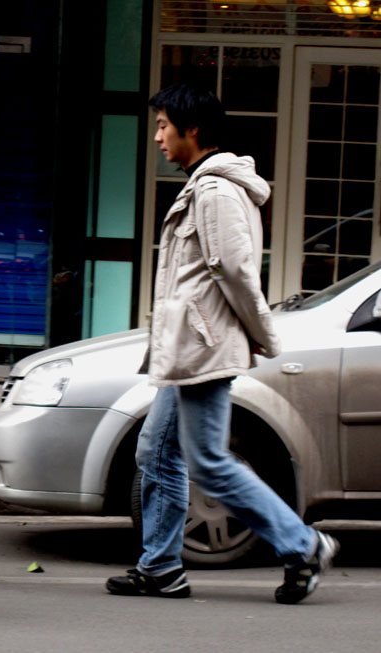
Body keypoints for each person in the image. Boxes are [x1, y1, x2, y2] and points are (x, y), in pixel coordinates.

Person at [105, 84, 338, 605]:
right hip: (187, 347)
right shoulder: (202, 186)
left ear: (192, 129)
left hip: (203, 347)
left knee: (206, 459)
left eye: (164, 126)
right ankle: (161, 567)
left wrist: (260, 336)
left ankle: (303, 545)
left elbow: (234, 270)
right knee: (157, 449)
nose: (158, 137)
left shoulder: (215, 191)